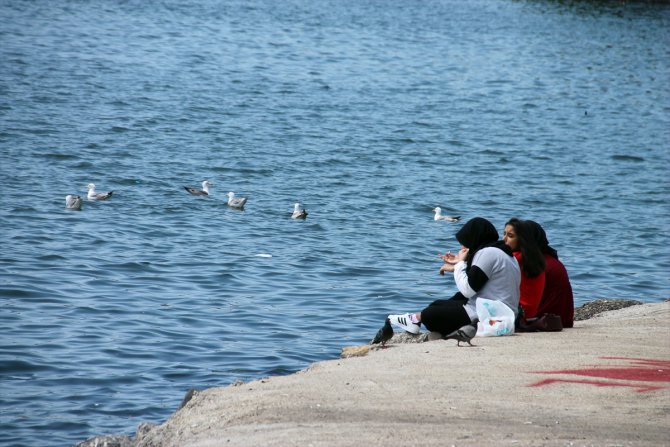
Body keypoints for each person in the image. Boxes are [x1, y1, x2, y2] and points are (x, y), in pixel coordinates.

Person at [387, 217, 520, 337]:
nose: (462, 247)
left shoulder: (487, 253)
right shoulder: (502, 253)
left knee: (430, 315)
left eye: (465, 242)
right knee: (437, 304)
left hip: (491, 316)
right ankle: (415, 319)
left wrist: (460, 264)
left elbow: (468, 289)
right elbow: (480, 278)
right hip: (504, 312)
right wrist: (458, 263)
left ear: (474, 239)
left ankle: (415, 319)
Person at [526, 220, 574, 328]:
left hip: (545, 320)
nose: (505, 240)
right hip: (561, 319)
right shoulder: (549, 259)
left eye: (512, 236)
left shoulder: (537, 264)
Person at [502, 218, 546, 321]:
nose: (504, 239)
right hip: (529, 313)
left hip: (518, 314)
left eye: (510, 236)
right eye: (504, 234)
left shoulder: (515, 258)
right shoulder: (534, 257)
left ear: (521, 239)